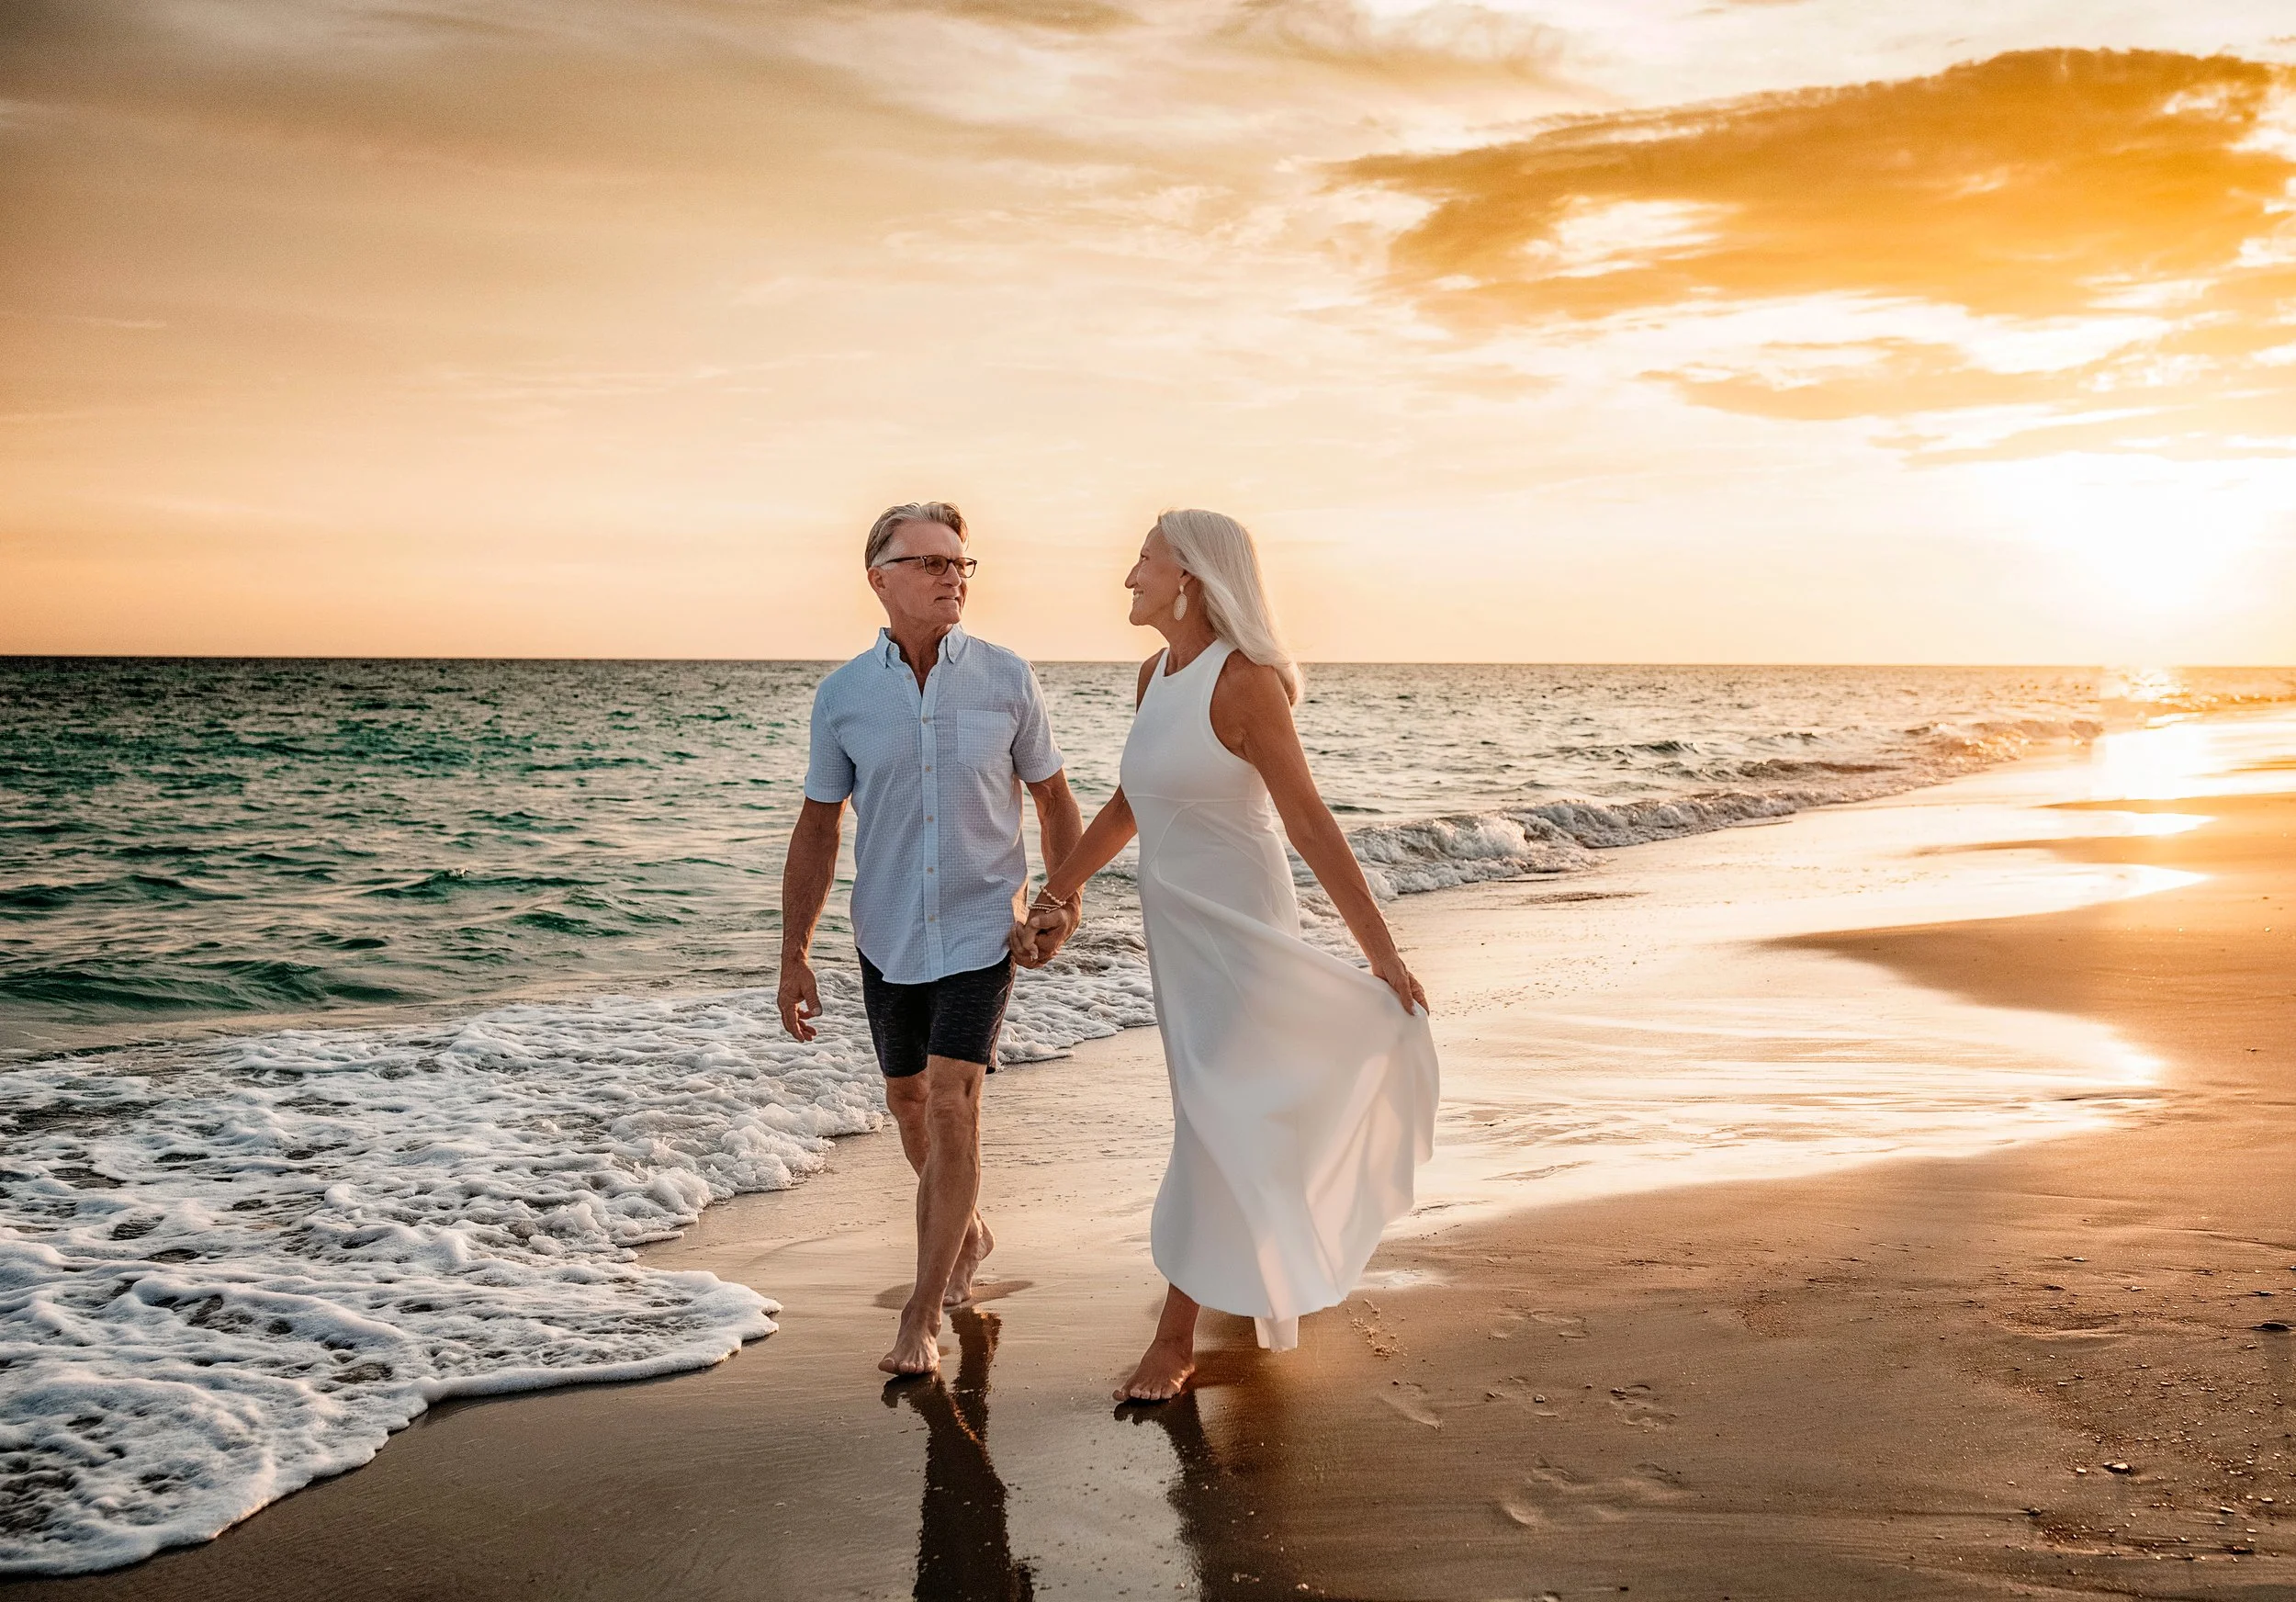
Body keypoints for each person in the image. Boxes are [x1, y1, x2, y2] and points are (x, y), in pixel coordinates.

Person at [1013, 508, 1438, 1403]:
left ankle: (1174, 1336)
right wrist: (1061, 890)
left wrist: (1382, 954)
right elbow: (1130, 804)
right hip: (1179, 939)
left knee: (1214, 1116)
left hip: (1242, 933)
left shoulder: (1245, 684)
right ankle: (1251, 1269)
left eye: (1143, 560)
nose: (1128, 575)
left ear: (1191, 579)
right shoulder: (1153, 675)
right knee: (1218, 1112)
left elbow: (1309, 822)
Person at [780, 501, 1083, 1378]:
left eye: (960, 563)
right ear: (880, 579)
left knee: (954, 1100)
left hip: (986, 923)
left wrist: (1060, 902)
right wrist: (793, 951)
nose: (952, 576)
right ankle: (970, 1229)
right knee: (909, 1103)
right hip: (886, 930)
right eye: (929, 563)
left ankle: (924, 1310)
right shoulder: (843, 697)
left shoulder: (1005, 677)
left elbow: (1055, 799)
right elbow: (818, 826)